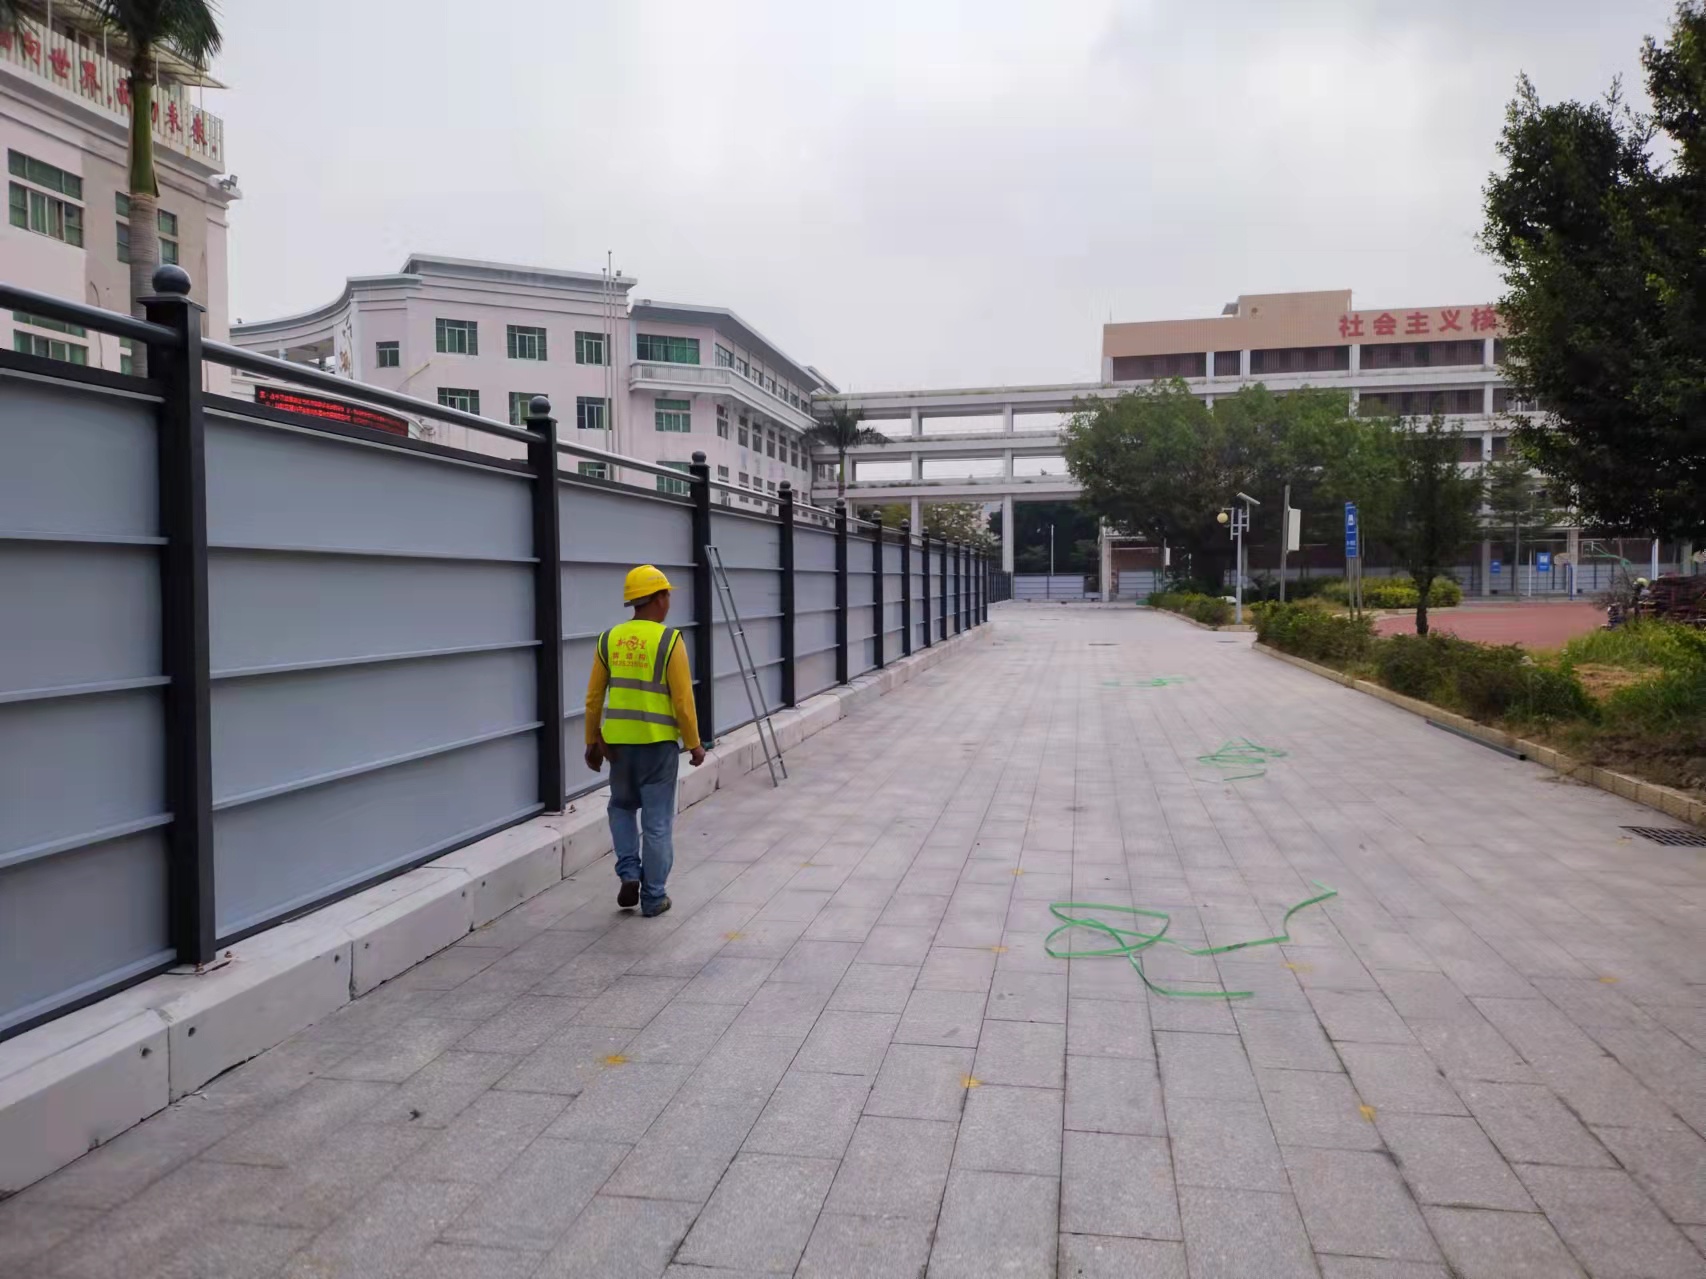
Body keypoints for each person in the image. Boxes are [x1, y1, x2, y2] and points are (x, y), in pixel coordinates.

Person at [583, 564, 706, 917]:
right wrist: (694, 743)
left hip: (618, 748)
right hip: (657, 747)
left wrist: (591, 741)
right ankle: (653, 897)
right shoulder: (670, 640)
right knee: (657, 822)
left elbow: (593, 698)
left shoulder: (608, 639)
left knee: (621, 808)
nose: (669, 601)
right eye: (667, 594)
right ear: (657, 598)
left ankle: (628, 872)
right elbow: (682, 700)